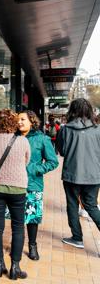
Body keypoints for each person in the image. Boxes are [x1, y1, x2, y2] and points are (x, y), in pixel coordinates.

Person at [0, 109, 30, 280]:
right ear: (13, 122)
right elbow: (26, 160)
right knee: (18, 227)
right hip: (18, 188)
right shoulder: (23, 141)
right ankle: (15, 267)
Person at [56, 98, 100, 248]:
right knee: (91, 206)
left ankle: (77, 238)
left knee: (73, 205)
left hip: (72, 174)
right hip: (94, 175)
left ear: (72, 111)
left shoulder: (65, 129)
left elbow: (61, 151)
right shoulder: (98, 129)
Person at [17, 110, 58, 261]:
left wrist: (34, 169)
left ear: (31, 121)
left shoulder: (42, 139)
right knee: (17, 218)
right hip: (14, 183)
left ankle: (32, 245)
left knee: (32, 218)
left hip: (33, 184)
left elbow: (53, 162)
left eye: (23, 119)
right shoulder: (13, 137)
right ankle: (17, 246)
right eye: (18, 119)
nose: (19, 122)